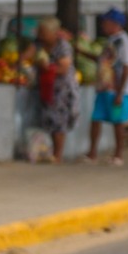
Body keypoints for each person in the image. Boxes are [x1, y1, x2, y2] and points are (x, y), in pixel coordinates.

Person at [86, 8, 128, 166]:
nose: (102, 25)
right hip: (104, 87)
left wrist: (120, 93)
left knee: (118, 122)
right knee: (96, 118)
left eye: (105, 22)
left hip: (118, 89)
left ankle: (118, 155)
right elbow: (102, 60)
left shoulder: (124, 42)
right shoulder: (111, 41)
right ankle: (92, 153)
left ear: (115, 24)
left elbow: (127, 67)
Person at [33, 18, 79, 163]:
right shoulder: (39, 45)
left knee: (59, 122)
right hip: (48, 87)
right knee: (49, 120)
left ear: (53, 33)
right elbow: (27, 55)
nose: (40, 34)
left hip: (62, 89)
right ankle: (52, 153)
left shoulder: (63, 46)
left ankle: (58, 155)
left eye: (44, 32)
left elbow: (64, 68)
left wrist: (47, 67)